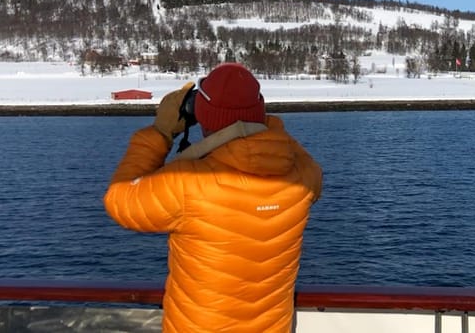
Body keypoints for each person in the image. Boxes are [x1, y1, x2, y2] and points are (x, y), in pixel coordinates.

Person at [104, 62, 323, 333]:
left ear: (204, 115)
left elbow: (120, 199)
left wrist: (160, 131)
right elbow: (287, 147)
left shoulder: (188, 182)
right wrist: (254, 116)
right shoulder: (301, 177)